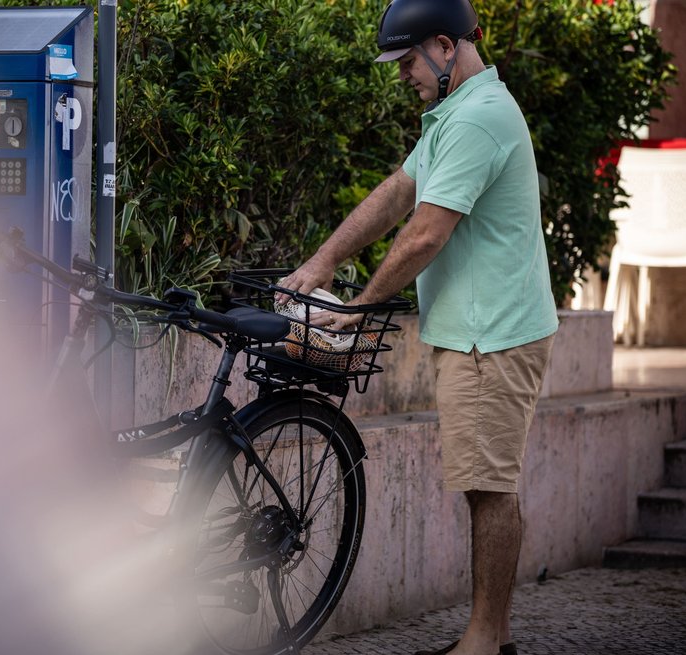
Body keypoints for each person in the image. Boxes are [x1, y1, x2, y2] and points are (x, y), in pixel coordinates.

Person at [278, 1, 559, 655]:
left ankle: (484, 642)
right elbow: (396, 193)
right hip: (480, 331)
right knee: (486, 483)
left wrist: (357, 308)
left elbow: (426, 234)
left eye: (407, 61)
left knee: (489, 489)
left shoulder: (479, 119)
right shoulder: (457, 113)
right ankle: (492, 638)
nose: (402, 74)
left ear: (444, 46)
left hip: (492, 336)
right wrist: (323, 261)